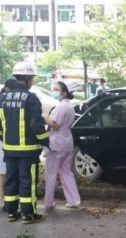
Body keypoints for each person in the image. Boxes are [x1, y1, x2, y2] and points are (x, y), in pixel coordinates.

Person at [0, 62, 49, 224]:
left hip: (9, 150)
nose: (32, 81)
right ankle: (29, 214)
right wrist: (45, 141)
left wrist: (6, 139)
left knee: (11, 179)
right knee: (28, 182)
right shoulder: (31, 98)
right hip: (28, 151)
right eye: (31, 78)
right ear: (26, 78)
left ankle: (11, 212)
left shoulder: (3, 98)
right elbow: (36, 125)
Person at [43, 81, 81, 210]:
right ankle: (74, 199)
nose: (54, 91)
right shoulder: (69, 106)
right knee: (66, 172)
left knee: (51, 173)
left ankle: (48, 202)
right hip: (67, 142)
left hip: (56, 143)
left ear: (64, 92)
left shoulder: (61, 107)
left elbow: (55, 125)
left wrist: (44, 117)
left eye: (56, 89)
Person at [0, 79, 16, 205]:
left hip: (4, 138)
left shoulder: (3, 101)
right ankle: (2, 198)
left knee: (5, 172)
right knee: (2, 172)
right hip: (2, 139)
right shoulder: (1, 103)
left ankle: (6, 198)